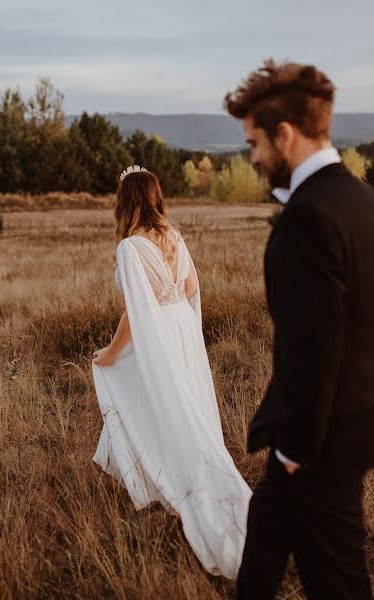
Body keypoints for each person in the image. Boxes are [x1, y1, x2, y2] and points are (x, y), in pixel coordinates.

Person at [224, 60, 374, 599]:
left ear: (285, 134)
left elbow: (312, 349)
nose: (251, 157)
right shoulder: (370, 200)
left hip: (317, 444)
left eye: (254, 142)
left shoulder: (308, 217)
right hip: (334, 427)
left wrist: (297, 449)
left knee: (339, 581)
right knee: (266, 532)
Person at [91, 165, 252, 579]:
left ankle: (172, 478)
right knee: (185, 406)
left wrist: (110, 352)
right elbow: (193, 289)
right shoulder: (175, 238)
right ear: (155, 196)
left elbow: (134, 313)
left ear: (125, 201)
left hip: (157, 333)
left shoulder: (130, 248)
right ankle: (185, 471)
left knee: (159, 404)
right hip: (181, 329)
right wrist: (174, 307)